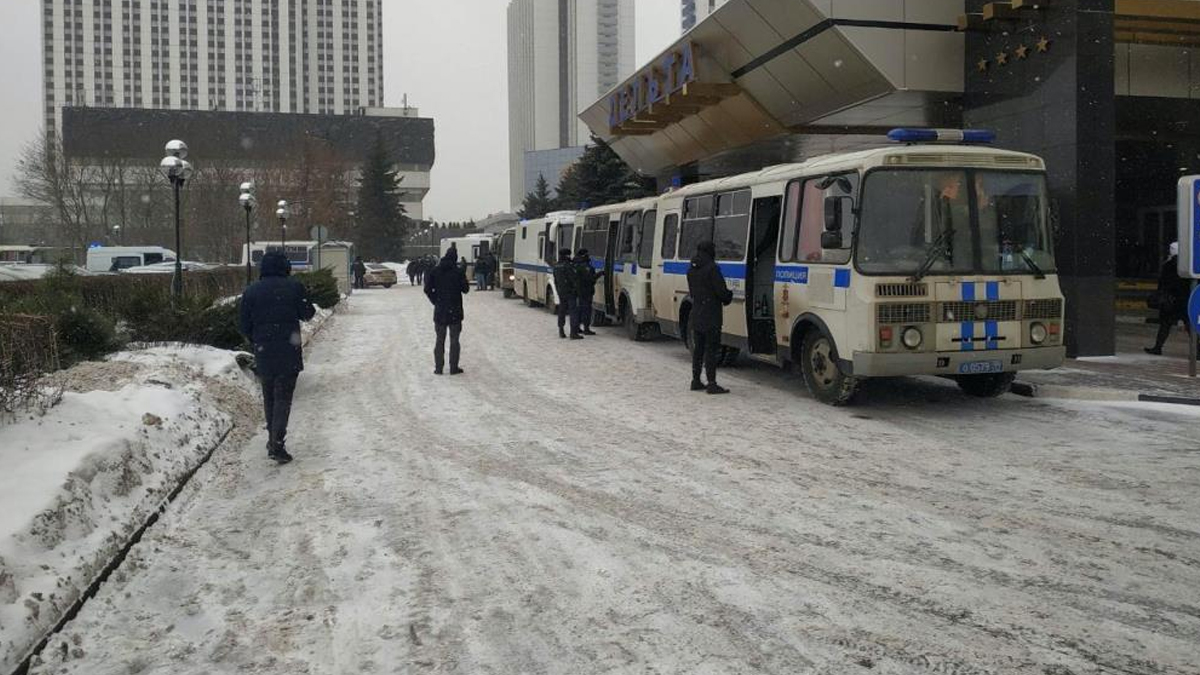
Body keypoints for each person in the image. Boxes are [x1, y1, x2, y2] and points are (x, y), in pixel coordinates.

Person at [239, 252, 317, 463]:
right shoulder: (294, 287)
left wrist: (256, 338)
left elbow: (243, 324)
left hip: (264, 350)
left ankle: (272, 438)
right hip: (288, 349)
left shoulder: (252, 291)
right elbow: (307, 313)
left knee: (270, 396)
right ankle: (277, 443)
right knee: (283, 397)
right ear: (285, 266)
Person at [686, 240, 733, 394]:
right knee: (711, 349)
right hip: (711, 315)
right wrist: (728, 296)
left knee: (698, 349)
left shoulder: (692, 269)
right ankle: (712, 383)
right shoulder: (712, 269)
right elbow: (722, 292)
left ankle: (696, 380)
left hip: (696, 313)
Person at [425, 247, 469, 375]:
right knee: (454, 340)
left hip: (440, 310)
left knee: (439, 340)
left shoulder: (436, 271)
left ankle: (439, 368)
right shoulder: (458, 272)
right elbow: (465, 289)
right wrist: (463, 274)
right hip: (455, 310)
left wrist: (436, 301)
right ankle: (453, 367)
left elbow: (427, 289)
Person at [1146, 242, 1195, 355]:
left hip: (1170, 300)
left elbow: (1163, 283)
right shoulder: (1186, 265)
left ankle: (1158, 347)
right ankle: (1197, 350)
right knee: (1189, 326)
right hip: (1184, 299)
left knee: (1165, 325)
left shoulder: (1168, 265)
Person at [552, 247, 582, 339]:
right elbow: (573, 279)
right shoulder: (568, 266)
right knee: (573, 312)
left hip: (561, 292)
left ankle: (561, 330)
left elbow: (556, 280)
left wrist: (558, 290)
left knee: (562, 311)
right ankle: (573, 333)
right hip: (570, 292)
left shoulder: (556, 266)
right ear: (567, 255)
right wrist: (577, 290)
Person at [574, 248, 603, 335]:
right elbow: (591, 279)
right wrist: (600, 274)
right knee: (586, 310)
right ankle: (586, 329)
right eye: (587, 254)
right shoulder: (585, 266)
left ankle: (577, 327)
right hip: (586, 291)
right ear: (584, 255)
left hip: (577, 291)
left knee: (579, 309)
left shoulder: (575, 264)